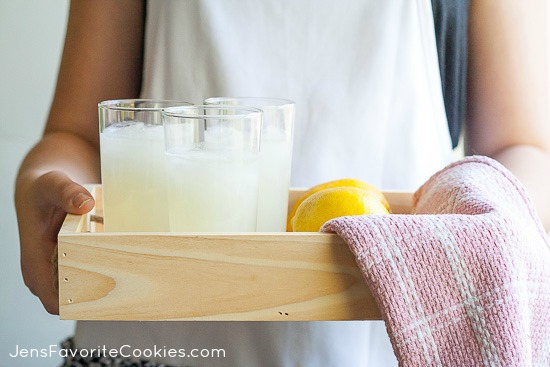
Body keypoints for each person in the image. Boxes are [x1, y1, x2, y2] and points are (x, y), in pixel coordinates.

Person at [14, 0, 550, 366]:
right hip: (154, 342)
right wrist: (39, 185)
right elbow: (77, 134)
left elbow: (521, 146)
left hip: (406, 341)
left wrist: (501, 224)